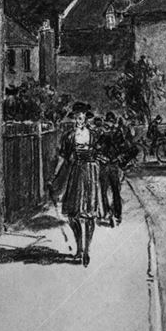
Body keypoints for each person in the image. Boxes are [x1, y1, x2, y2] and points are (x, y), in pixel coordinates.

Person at [56, 103, 104, 267]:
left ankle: (87, 250)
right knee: (72, 214)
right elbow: (63, 157)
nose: (79, 120)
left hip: (90, 173)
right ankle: (79, 248)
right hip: (76, 172)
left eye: (81, 117)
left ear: (86, 118)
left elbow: (100, 153)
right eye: (76, 117)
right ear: (74, 119)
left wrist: (96, 165)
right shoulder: (69, 136)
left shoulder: (94, 135)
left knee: (89, 214)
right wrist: (56, 175)